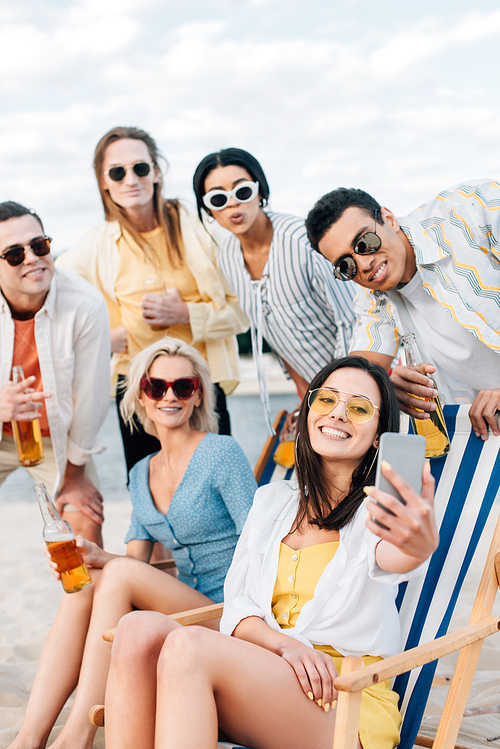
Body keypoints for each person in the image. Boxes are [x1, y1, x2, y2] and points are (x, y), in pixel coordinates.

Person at [103, 356, 438, 749]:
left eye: (360, 408)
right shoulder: (273, 501)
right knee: (136, 629)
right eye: (326, 400)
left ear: (379, 436)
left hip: (344, 696)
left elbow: (397, 556)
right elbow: (239, 606)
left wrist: (420, 543)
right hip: (271, 671)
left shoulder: (374, 513)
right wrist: (284, 645)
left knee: (187, 645)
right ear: (309, 409)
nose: (339, 414)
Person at [7, 337, 256, 749]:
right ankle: (30, 736)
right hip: (186, 608)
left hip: (230, 614)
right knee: (91, 580)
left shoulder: (221, 453)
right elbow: (134, 564)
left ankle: (78, 735)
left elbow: (260, 544)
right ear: (141, 397)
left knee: (114, 574)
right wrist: (96, 558)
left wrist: (114, 565)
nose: (169, 396)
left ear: (198, 397)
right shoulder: (140, 473)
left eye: (183, 386)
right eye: (156, 387)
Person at [57, 126, 249, 473]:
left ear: (156, 171)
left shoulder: (201, 228)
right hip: (137, 392)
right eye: (117, 172)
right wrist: (101, 334)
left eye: (140, 168)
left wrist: (187, 313)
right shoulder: (95, 244)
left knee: (216, 484)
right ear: (104, 183)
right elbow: (46, 289)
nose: (130, 179)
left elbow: (245, 309)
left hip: (199, 388)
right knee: (147, 490)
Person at [305, 181, 500, 442]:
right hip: (486, 430)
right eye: (346, 264)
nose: (363, 264)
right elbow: (356, 379)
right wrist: (384, 387)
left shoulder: (472, 211)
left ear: (388, 218)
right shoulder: (371, 295)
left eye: (365, 242)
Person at [193, 148, 357, 433]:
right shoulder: (227, 256)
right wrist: (306, 396)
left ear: (260, 191)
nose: (233, 204)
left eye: (242, 191)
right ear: (209, 210)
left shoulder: (304, 243)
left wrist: (335, 399)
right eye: (218, 198)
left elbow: (353, 322)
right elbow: (273, 333)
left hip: (358, 390)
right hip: (314, 398)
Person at [0, 201, 110, 545]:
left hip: (56, 441)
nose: (32, 257)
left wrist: (75, 473)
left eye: (39, 245)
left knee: (85, 528)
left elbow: (90, 402)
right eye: (14, 254)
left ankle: (89, 600)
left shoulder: (86, 305)